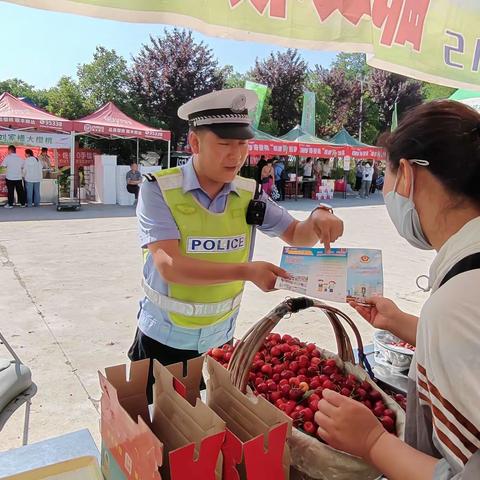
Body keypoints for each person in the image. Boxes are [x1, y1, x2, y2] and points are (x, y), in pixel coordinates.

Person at [128, 88, 344, 395]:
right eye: (224, 144)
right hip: (165, 341)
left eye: (243, 143)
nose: (236, 154)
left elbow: (297, 234)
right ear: (195, 143)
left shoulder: (248, 192)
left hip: (220, 339)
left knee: (213, 426)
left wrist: (319, 217)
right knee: (157, 432)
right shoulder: (159, 190)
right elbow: (170, 266)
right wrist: (246, 271)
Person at [315, 100, 480, 480]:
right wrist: (401, 323)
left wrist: (374, 442)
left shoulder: (457, 302)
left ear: (407, 175)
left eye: (384, 175)